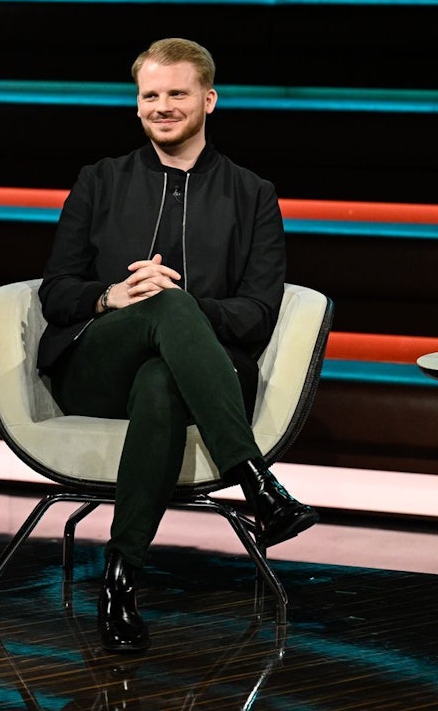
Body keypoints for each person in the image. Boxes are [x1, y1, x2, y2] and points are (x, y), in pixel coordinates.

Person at [37, 38, 318, 652]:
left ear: (209, 101)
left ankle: (119, 577)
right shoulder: (99, 181)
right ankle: (255, 482)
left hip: (201, 379)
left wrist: (183, 308)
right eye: (150, 95)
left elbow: (258, 313)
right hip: (97, 365)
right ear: (137, 105)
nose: (161, 106)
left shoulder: (253, 194)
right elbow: (55, 293)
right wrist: (114, 297)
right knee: (160, 305)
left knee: (163, 379)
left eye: (176, 94)